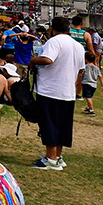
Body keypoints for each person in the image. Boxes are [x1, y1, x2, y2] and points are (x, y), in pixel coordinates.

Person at [30, 16, 85, 170]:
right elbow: (81, 69)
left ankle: (50, 158)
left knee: (49, 123)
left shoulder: (54, 41)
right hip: (68, 91)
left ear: (52, 29)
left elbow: (48, 60)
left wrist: (34, 61)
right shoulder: (78, 46)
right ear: (69, 29)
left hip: (50, 90)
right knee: (63, 125)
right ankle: (58, 156)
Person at [79, 51, 103, 116]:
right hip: (94, 85)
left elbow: (81, 73)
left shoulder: (86, 67)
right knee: (90, 96)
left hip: (86, 83)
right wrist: (102, 85)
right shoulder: (96, 68)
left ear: (86, 59)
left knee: (88, 97)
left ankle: (91, 110)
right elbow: (100, 77)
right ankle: (88, 107)